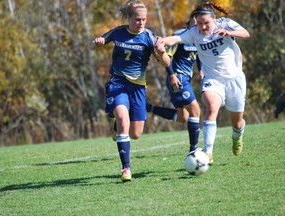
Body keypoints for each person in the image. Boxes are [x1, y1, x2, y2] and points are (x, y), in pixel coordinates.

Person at [157, 1, 250, 164]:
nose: (203, 27)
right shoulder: (194, 33)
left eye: (206, 23)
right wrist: (162, 41)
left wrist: (229, 33)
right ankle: (208, 152)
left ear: (214, 19)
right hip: (213, 79)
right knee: (211, 107)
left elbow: (245, 33)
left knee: (237, 121)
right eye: (200, 23)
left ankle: (237, 136)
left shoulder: (225, 23)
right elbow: (176, 38)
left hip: (234, 78)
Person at [90, 0, 170, 182]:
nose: (141, 23)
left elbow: (166, 63)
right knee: (123, 120)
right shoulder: (118, 32)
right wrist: (97, 42)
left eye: (144, 19)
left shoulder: (149, 37)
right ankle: (126, 168)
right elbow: (92, 44)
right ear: (129, 18)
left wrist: (162, 52)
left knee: (136, 134)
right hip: (117, 83)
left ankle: (117, 127)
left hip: (138, 88)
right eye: (137, 19)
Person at [147, 13, 203, 157]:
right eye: (195, 19)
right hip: (178, 78)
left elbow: (199, 56)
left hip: (185, 79)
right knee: (195, 110)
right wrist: (172, 75)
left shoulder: (199, 35)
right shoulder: (179, 35)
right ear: (189, 20)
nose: (198, 22)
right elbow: (167, 58)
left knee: (182, 118)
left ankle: (149, 107)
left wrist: (201, 70)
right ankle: (193, 149)